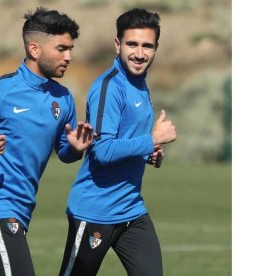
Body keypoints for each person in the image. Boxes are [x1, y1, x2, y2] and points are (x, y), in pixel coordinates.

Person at [0, 7, 93, 276]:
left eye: (71, 49)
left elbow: (65, 153)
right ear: (34, 49)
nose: (69, 57)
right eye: (61, 48)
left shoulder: (64, 98)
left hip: (21, 211)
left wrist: (76, 149)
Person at [59, 8, 177, 276]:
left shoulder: (140, 84)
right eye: (132, 44)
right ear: (117, 45)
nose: (139, 53)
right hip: (95, 212)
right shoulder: (109, 87)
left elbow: (126, 142)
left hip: (132, 210)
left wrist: (150, 152)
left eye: (147, 46)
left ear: (156, 48)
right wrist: (152, 139)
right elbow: (103, 151)